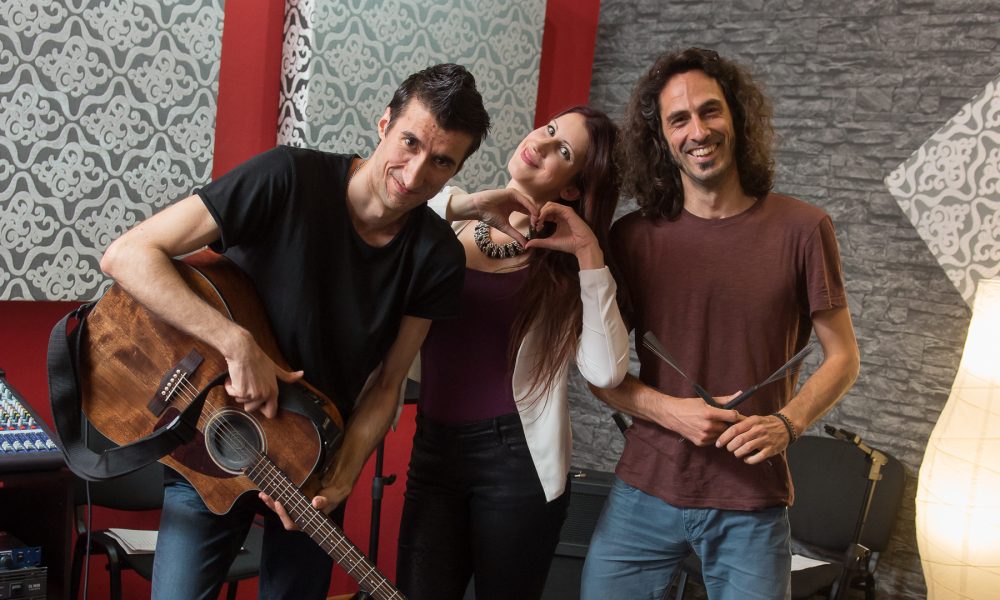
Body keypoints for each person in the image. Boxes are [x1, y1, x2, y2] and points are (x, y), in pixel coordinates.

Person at [99, 64, 495, 600]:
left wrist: (344, 475)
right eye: (410, 142)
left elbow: (387, 384)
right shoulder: (286, 176)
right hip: (217, 436)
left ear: (456, 170)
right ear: (384, 124)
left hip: (315, 460)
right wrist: (236, 343)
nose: (415, 172)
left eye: (442, 161)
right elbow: (127, 255)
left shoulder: (437, 255)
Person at [580, 48, 861, 600]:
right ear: (662, 138)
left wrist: (787, 423)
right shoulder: (632, 239)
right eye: (678, 119)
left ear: (736, 117)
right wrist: (671, 412)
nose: (698, 131)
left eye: (710, 111)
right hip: (644, 490)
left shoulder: (804, 229)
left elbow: (844, 357)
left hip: (751, 501)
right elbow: (598, 373)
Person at [394, 105, 630, 600]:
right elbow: (395, 204)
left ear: (572, 189)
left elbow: (606, 372)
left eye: (562, 151)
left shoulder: (563, 270)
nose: (540, 144)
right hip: (434, 448)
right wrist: (469, 203)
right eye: (549, 130)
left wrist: (589, 254)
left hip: (516, 462)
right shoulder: (453, 221)